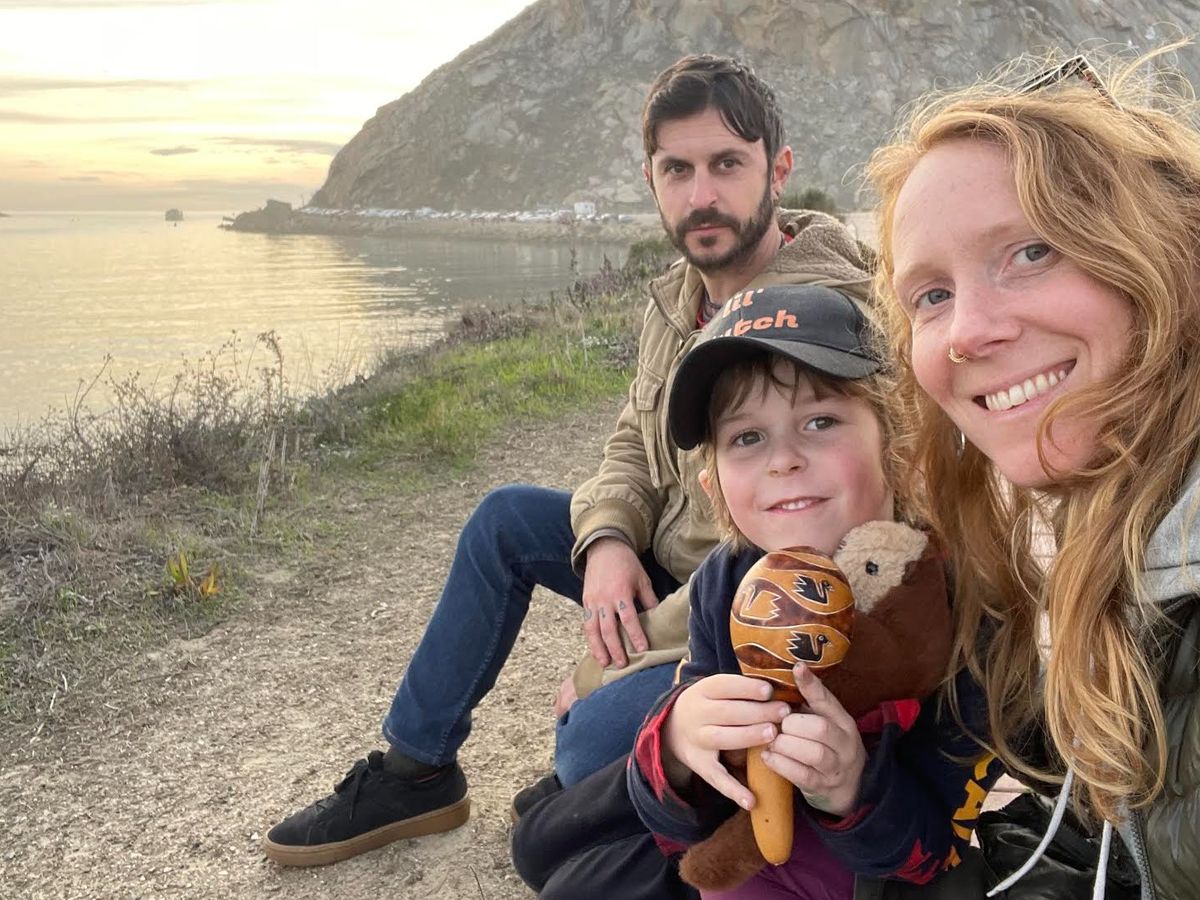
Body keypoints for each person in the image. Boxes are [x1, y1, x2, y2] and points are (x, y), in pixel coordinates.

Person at [262, 53, 873, 867]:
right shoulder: (677, 297)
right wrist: (609, 537)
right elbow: (632, 440)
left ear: (779, 170)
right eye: (677, 169)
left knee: (584, 744)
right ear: (651, 179)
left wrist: (610, 663)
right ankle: (416, 773)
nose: (701, 194)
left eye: (727, 164)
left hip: (752, 603)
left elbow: (792, 541)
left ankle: (619, 770)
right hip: (670, 564)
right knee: (505, 521)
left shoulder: (823, 314)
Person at [866, 45, 1200, 899]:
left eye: (1031, 251)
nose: (967, 332)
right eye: (931, 295)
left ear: (1168, 250)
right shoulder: (1092, 534)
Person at [627, 283, 990, 900]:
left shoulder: (960, 599)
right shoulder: (726, 581)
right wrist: (677, 743)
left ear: (897, 447)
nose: (784, 460)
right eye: (747, 437)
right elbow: (680, 817)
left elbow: (941, 850)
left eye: (820, 422)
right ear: (715, 486)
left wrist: (852, 790)